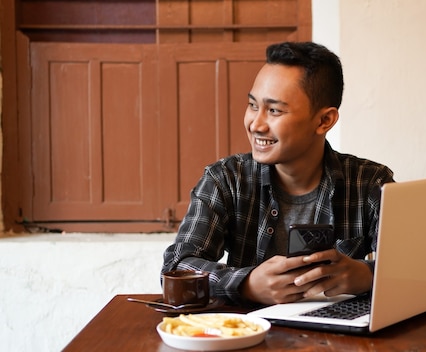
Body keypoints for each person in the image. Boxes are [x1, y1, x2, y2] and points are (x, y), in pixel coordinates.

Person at [162, 41, 395, 306]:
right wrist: (247, 283)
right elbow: (176, 267)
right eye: (252, 105)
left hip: (337, 339)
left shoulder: (370, 183)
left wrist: (367, 275)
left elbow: (413, 272)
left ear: (324, 121)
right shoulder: (226, 179)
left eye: (274, 110)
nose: (256, 124)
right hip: (247, 337)